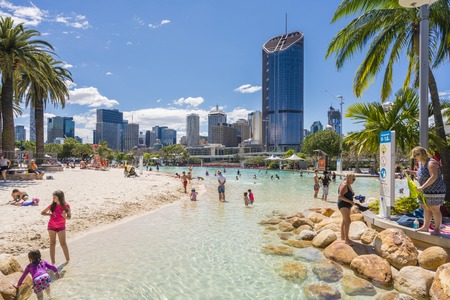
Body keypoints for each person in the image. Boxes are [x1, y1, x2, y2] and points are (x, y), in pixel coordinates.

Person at [411, 146, 446, 235]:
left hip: (436, 190)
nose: (415, 157)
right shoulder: (420, 164)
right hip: (426, 190)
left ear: (423, 154)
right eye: (414, 155)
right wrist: (411, 172)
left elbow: (433, 176)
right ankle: (425, 227)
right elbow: (423, 173)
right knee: (426, 208)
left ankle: (437, 229)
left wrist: (422, 187)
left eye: (417, 155)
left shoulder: (431, 163)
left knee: (434, 208)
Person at [41, 190, 71, 264]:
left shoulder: (66, 206)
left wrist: (65, 217)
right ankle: (53, 263)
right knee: (52, 243)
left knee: (63, 243)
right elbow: (42, 212)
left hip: (61, 226)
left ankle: (68, 261)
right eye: (53, 197)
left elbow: (69, 217)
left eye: (54, 197)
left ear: (59, 197)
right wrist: (50, 215)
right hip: (51, 226)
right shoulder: (52, 205)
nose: (53, 198)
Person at [338, 172, 357, 245]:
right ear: (348, 178)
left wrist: (355, 197)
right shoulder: (344, 185)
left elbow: (348, 195)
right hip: (343, 205)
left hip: (347, 205)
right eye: (353, 179)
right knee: (348, 221)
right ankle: (347, 239)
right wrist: (350, 202)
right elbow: (340, 196)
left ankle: (343, 237)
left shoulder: (348, 184)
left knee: (344, 220)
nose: (354, 181)